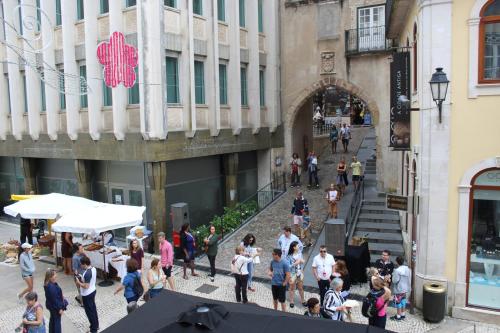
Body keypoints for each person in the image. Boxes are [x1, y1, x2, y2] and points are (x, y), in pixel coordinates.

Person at [76, 256, 99, 333]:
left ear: (85, 264)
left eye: (81, 264)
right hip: (93, 291)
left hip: (87, 294)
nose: (81, 265)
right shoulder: (93, 269)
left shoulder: (87, 273)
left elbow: (86, 286)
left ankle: (93, 329)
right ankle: (96, 325)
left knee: (89, 312)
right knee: (93, 309)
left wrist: (79, 282)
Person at [44, 269, 66, 333]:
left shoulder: (48, 284)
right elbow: (55, 300)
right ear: (50, 277)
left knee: (53, 320)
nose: (56, 275)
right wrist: (60, 309)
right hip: (55, 307)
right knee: (57, 322)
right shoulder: (51, 287)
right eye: (54, 275)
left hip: (51, 306)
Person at [390, 256, 411, 321]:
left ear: (396, 262)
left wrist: (393, 275)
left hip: (399, 289)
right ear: (403, 261)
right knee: (403, 301)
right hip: (405, 288)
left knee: (398, 302)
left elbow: (394, 281)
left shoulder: (397, 271)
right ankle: (403, 314)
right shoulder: (407, 269)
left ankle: (398, 316)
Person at [286, 241, 305, 308]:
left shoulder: (300, 254)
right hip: (292, 274)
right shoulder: (289, 256)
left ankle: (303, 300)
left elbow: (302, 261)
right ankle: (291, 301)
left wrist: (301, 261)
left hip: (300, 273)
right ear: (294, 247)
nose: (299, 247)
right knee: (292, 288)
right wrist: (295, 263)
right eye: (297, 246)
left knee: (300, 287)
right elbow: (288, 266)